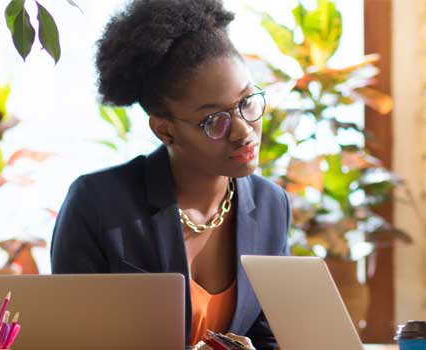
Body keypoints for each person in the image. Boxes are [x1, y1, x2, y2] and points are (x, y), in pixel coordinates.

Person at [49, 0, 289, 348]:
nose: (243, 130)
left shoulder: (270, 205)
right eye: (214, 121)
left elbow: (267, 336)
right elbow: (70, 338)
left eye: (247, 102)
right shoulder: (99, 204)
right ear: (165, 131)